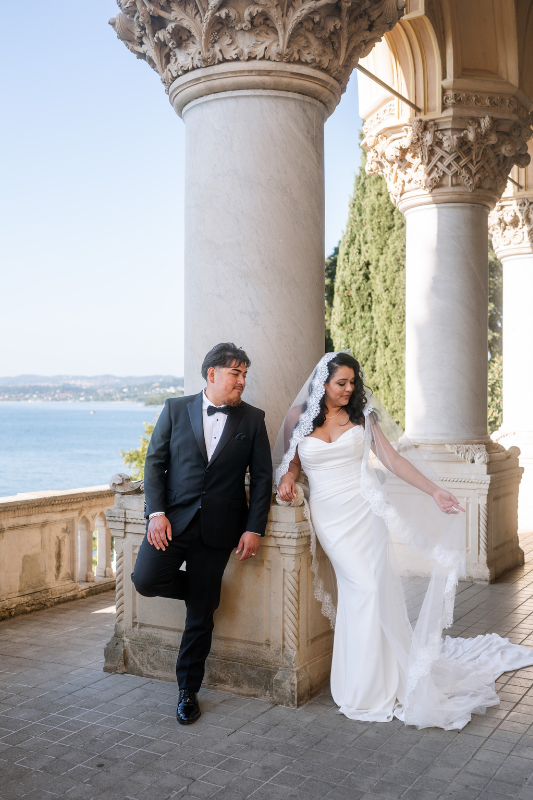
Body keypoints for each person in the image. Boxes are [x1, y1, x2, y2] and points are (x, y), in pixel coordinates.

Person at [275, 351, 533, 730]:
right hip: (331, 518)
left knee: (370, 591)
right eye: (340, 383)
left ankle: (373, 686)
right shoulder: (301, 419)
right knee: (359, 590)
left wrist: (436, 492)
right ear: (322, 385)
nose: (348, 389)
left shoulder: (362, 417)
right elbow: (294, 461)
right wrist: (287, 478)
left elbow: (393, 461)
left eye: (351, 382)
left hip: (365, 514)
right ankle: (360, 684)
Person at [132, 343, 272, 725]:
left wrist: (253, 528)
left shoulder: (253, 419)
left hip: (220, 529)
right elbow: (155, 462)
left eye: (245, 374)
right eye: (235, 373)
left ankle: (186, 691)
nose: (242, 381)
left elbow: (262, 480)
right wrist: (156, 513)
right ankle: (202, 591)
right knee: (145, 579)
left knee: (200, 616)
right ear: (212, 374)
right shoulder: (175, 409)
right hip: (172, 523)